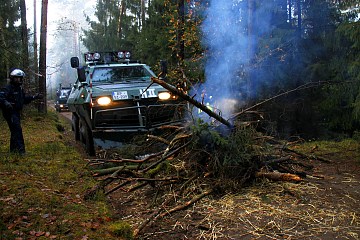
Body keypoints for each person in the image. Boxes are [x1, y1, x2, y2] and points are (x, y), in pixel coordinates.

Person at [0, 68, 42, 155]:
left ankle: (13, 151)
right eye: (17, 78)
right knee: (17, 130)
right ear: (12, 78)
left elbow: (24, 100)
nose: (19, 80)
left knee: (14, 131)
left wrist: (34, 97)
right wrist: (6, 103)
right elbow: (1, 97)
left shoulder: (19, 89)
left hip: (16, 112)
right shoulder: (8, 88)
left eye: (20, 78)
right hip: (10, 112)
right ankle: (21, 151)